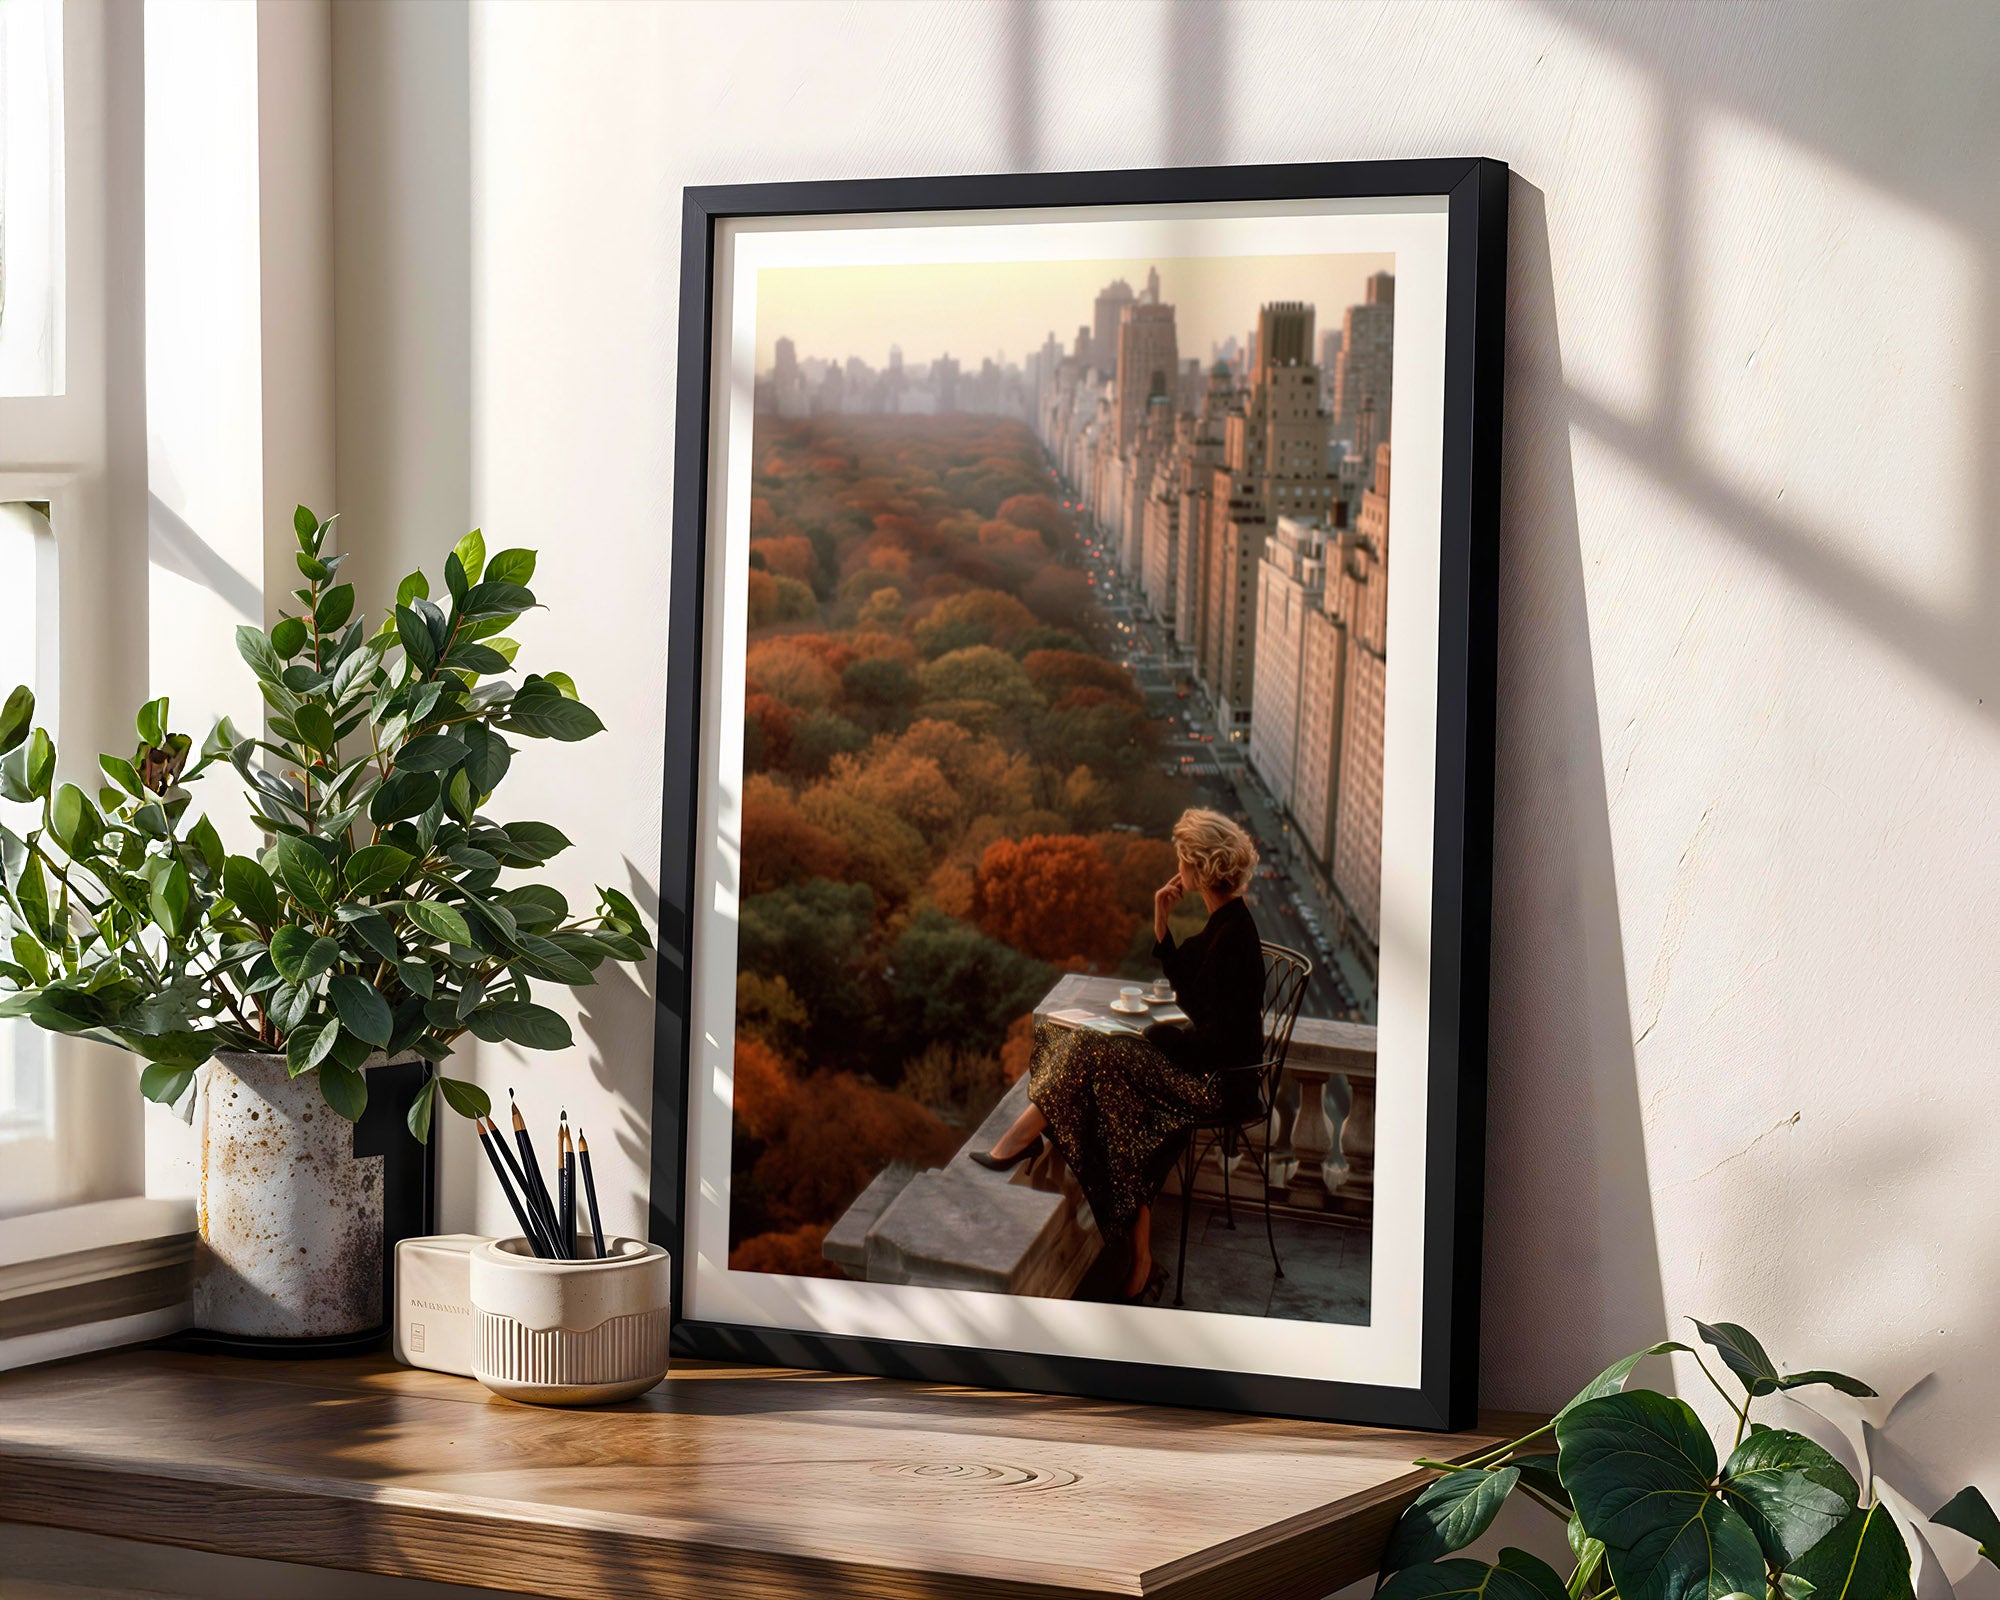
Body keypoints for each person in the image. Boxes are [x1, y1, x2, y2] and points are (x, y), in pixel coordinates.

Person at [973, 808, 1267, 1301]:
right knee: (1103, 1076)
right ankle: (1139, 1249)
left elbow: (1219, 1044)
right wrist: (1161, 923)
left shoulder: (1234, 939)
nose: (1177, 866)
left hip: (1218, 1085)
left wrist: (1156, 1038)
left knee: (1090, 1048)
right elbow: (1196, 1000)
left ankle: (1027, 1134)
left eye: (1181, 858)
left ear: (1196, 867)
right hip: (1208, 1069)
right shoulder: (1227, 924)